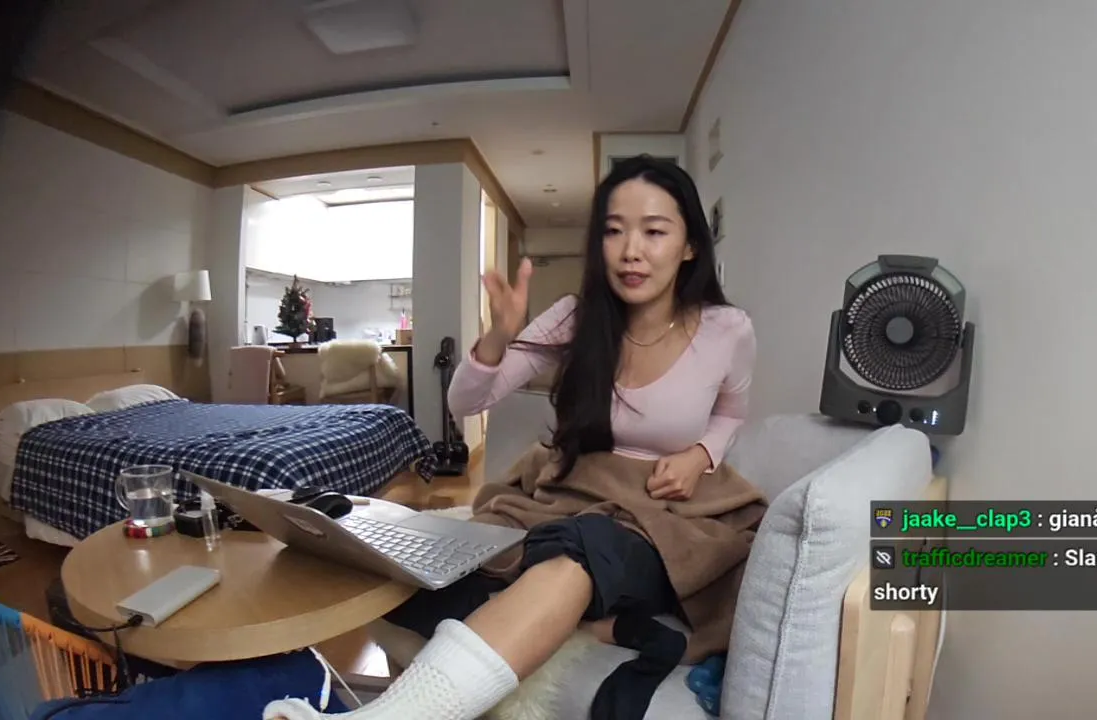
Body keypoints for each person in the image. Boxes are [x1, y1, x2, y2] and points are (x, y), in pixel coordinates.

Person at [265, 155, 761, 720]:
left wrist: (700, 454)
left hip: (663, 516)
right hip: (574, 493)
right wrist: (500, 335)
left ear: (690, 245)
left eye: (654, 231)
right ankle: (588, 626)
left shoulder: (727, 329)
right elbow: (465, 403)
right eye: (613, 230)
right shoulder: (576, 317)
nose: (631, 251)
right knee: (460, 570)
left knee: (582, 549)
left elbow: (731, 414)